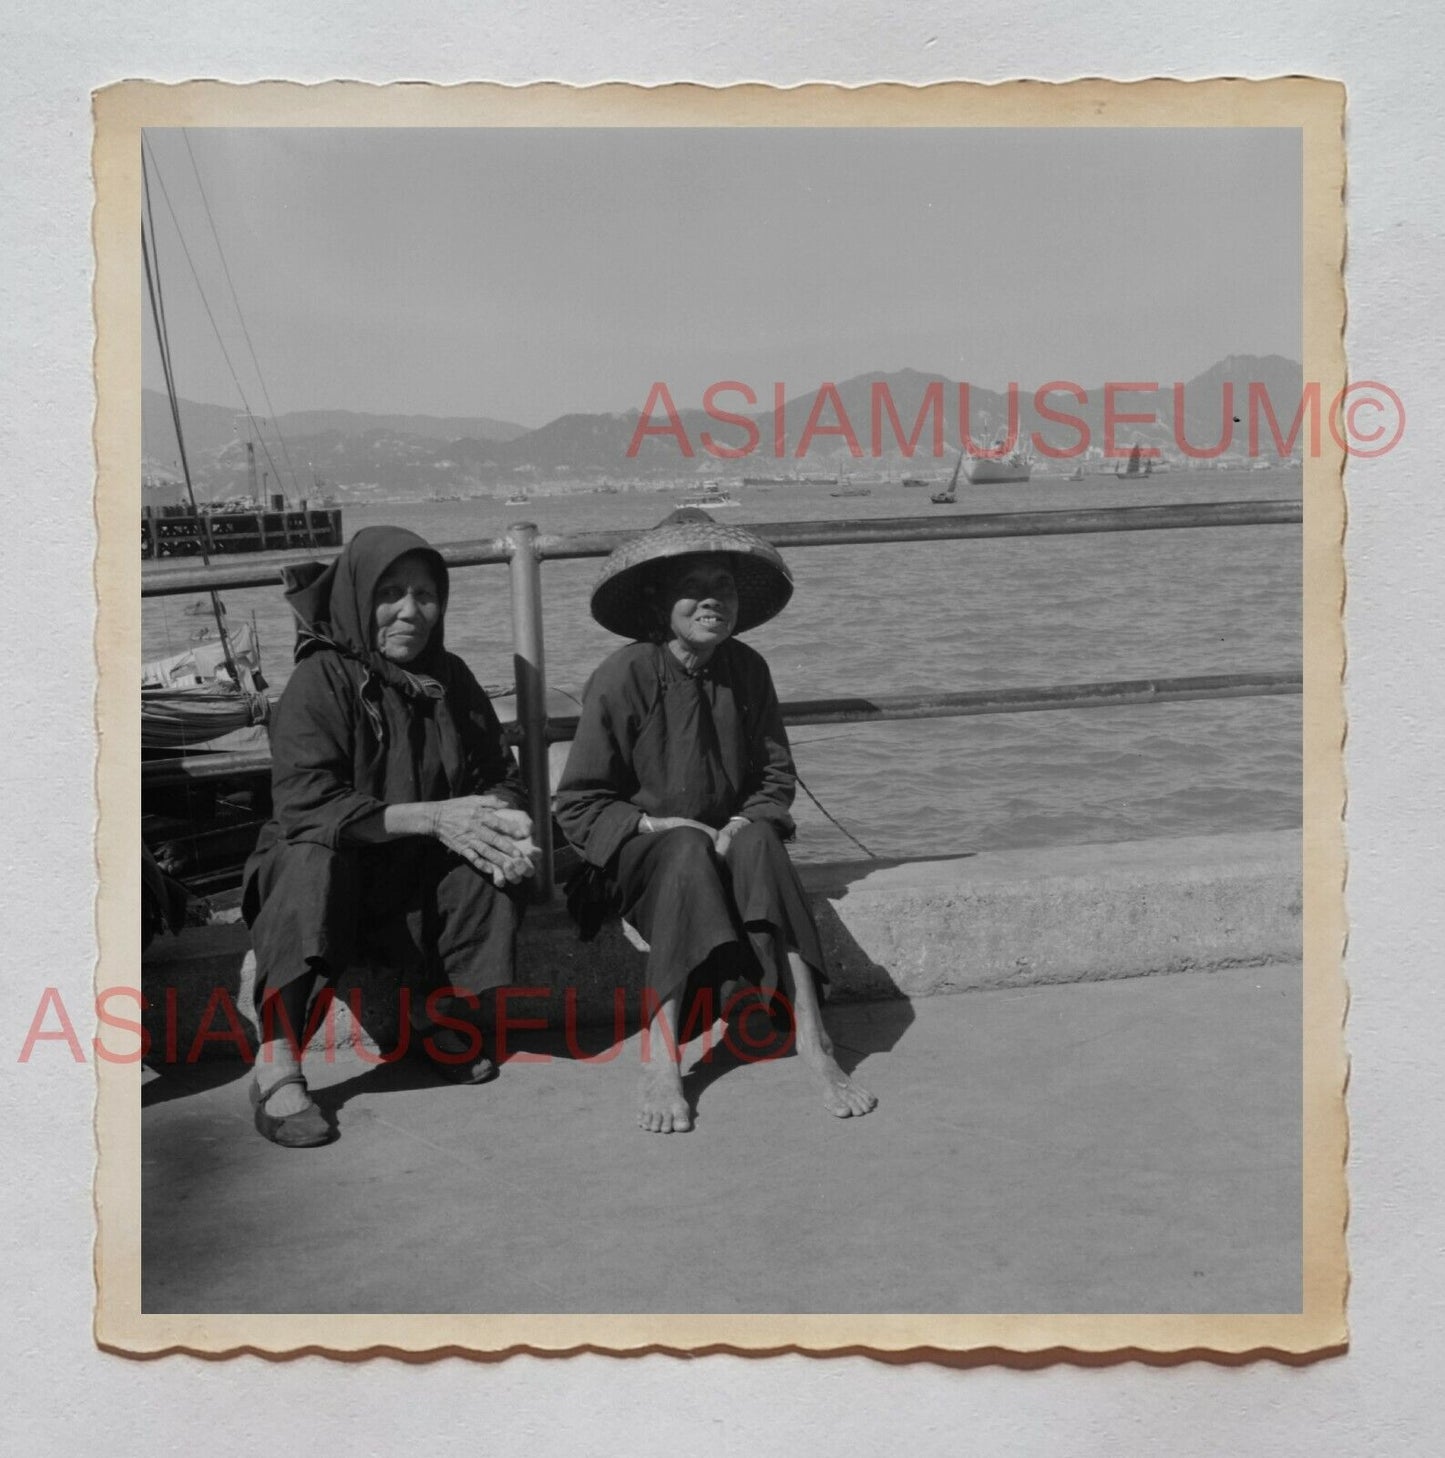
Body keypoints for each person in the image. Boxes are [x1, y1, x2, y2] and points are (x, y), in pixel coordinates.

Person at [553, 509, 877, 1132]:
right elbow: (580, 803)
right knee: (682, 850)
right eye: (694, 587)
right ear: (660, 599)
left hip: (725, 850)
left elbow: (775, 779)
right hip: (642, 860)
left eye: (723, 587)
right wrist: (664, 826)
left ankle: (815, 1040)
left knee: (759, 840)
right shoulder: (624, 675)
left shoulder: (748, 669)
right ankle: (662, 1054)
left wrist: (740, 823)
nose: (712, 601)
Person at [241, 525, 537, 1147]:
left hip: (409, 865)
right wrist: (432, 816)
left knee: (483, 851)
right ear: (357, 597)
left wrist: (503, 819)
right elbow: (305, 804)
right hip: (326, 858)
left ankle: (435, 1015)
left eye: (426, 594)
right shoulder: (320, 680)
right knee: (312, 861)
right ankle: (278, 1053)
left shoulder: (451, 678)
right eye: (392, 593)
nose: (411, 611)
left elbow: (497, 776)